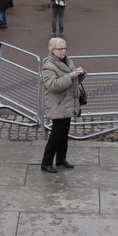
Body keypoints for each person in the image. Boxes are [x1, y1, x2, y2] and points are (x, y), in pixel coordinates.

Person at [40, 37, 83, 173]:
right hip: (58, 104)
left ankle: (61, 159)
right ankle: (46, 162)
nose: (63, 51)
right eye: (60, 49)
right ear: (52, 50)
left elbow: (74, 81)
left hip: (67, 103)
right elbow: (53, 85)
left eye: (64, 48)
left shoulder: (68, 61)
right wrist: (69, 76)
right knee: (56, 134)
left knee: (64, 134)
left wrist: (80, 74)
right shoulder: (48, 66)